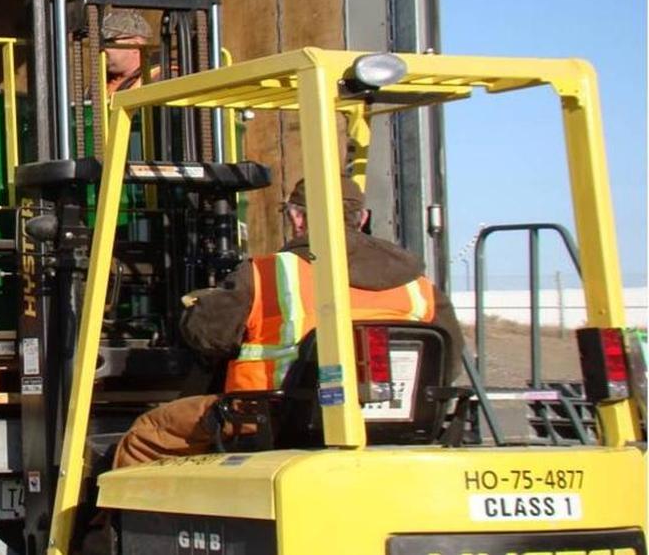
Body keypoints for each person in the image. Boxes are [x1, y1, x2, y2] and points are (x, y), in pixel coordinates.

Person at [112, 175, 463, 467]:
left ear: (297, 217)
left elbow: (207, 337)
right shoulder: (419, 286)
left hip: (268, 422)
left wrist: (198, 307)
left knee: (147, 435)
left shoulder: (270, 273)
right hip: (394, 429)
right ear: (364, 217)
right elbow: (448, 364)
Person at [101, 9, 158, 97]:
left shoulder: (160, 77)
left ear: (135, 45)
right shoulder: (98, 84)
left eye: (108, 42)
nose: (102, 48)